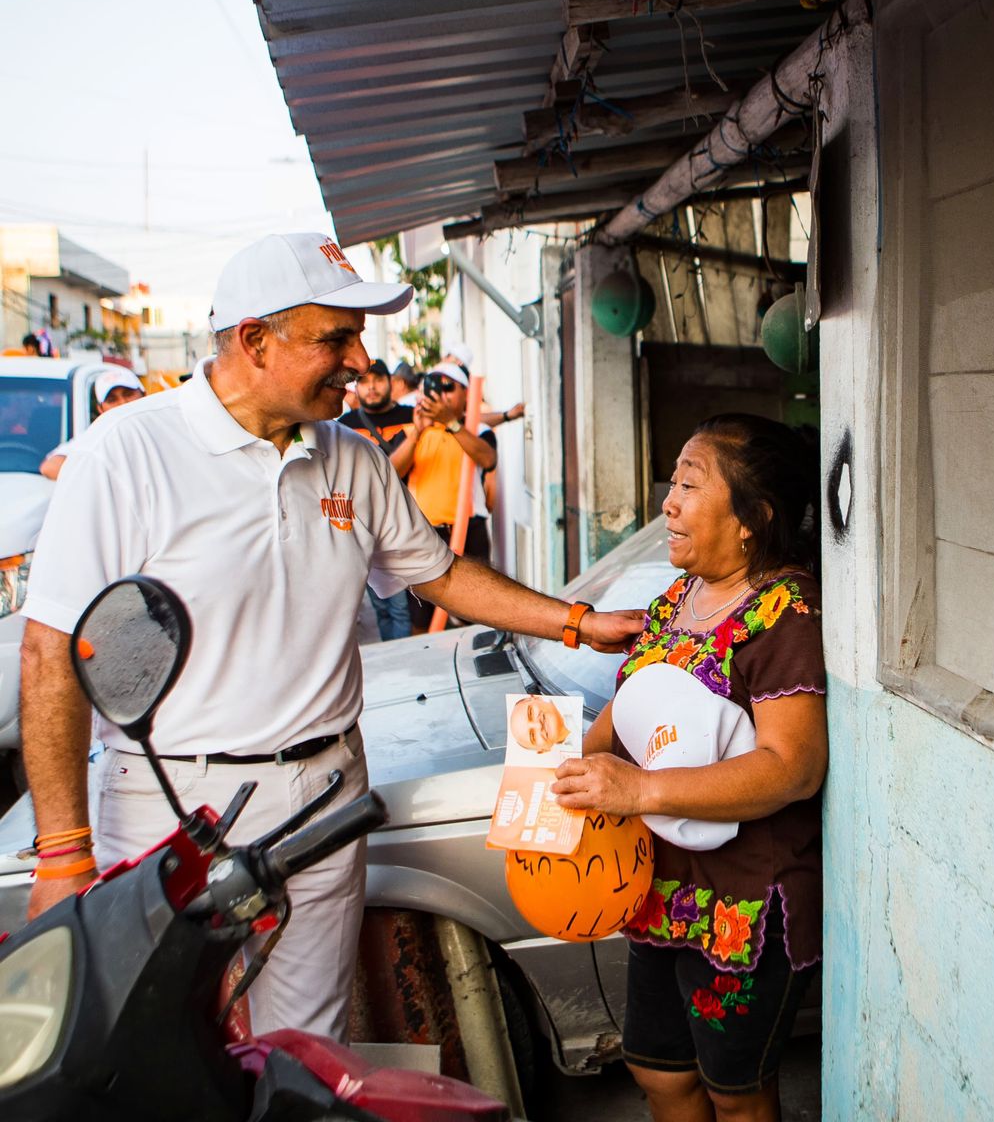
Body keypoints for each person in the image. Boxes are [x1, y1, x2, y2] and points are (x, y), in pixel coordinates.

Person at [18, 231, 645, 1041]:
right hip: (168, 808)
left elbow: (440, 577)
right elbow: (50, 653)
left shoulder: (350, 458)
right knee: (167, 1045)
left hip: (324, 795)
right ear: (254, 340)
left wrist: (576, 622)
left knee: (307, 1042)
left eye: (358, 336)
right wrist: (64, 850)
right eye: (334, 338)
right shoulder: (128, 453)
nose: (358, 358)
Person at [551, 413, 826, 1122]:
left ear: (751, 520)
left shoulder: (784, 612)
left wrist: (641, 787)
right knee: (659, 1071)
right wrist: (559, 773)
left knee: (736, 1093)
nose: (668, 503)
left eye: (689, 485)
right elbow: (623, 723)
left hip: (742, 904)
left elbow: (792, 768)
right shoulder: (676, 604)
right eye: (672, 483)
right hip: (660, 891)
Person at [398, 362, 497, 632]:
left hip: (467, 533)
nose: (441, 395)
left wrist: (451, 424)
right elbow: (391, 471)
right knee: (422, 617)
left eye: (448, 388)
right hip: (424, 534)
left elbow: (488, 459)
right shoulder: (412, 431)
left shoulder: (478, 431)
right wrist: (418, 432)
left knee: (474, 613)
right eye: (435, 387)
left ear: (466, 393)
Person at [338, 359, 414, 640]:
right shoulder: (344, 425)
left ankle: (405, 659)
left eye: (377, 381)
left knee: (400, 606)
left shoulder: (412, 416)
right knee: (381, 605)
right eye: (364, 382)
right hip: (365, 524)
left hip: (406, 520)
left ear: (390, 383)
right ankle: (392, 654)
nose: (371, 388)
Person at [39, 368, 146, 480]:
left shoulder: (162, 426)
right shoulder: (98, 438)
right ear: (101, 409)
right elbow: (50, 466)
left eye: (128, 394)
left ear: (144, 395)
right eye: (112, 400)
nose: (123, 403)